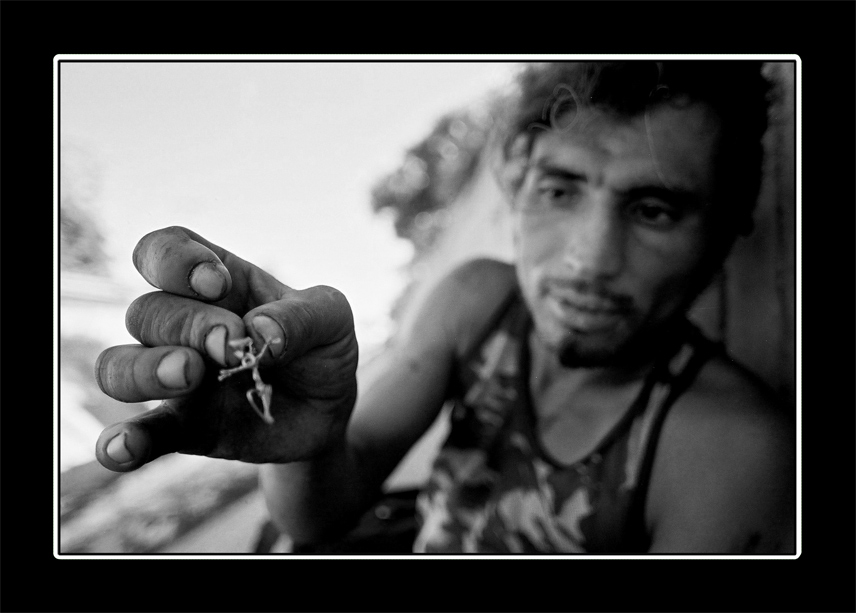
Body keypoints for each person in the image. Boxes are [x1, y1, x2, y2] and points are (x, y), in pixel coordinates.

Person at [93, 61, 795, 554]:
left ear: (726, 227)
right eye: (560, 190)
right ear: (518, 189)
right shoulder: (478, 303)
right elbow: (323, 509)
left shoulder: (730, 448)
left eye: (653, 209)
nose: (588, 259)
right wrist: (307, 443)